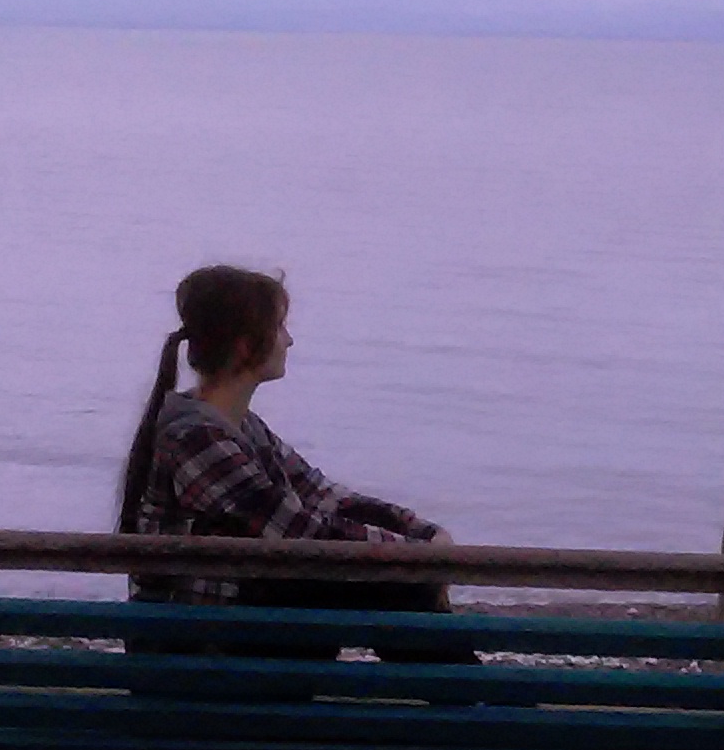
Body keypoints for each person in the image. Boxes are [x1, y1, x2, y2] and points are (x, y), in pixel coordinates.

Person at [116, 264, 465, 660]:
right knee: (390, 588)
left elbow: (323, 494)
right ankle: (467, 691)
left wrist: (422, 534)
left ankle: (461, 689)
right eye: (280, 326)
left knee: (388, 583)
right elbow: (298, 531)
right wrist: (417, 560)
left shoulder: (240, 426)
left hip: (230, 629)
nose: (289, 340)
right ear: (245, 346)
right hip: (195, 647)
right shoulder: (195, 438)